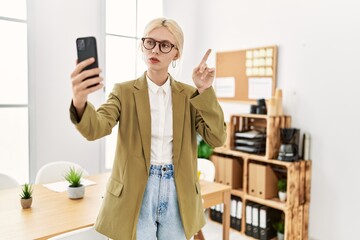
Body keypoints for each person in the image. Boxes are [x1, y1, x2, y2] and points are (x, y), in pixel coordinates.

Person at [70, 17, 226, 240]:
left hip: (177, 192)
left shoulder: (190, 95)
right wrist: (79, 102)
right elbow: (97, 128)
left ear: (176, 53)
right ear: (141, 45)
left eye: (165, 45)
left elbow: (217, 138)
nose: (155, 50)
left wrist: (205, 92)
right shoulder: (123, 91)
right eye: (150, 42)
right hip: (137, 192)